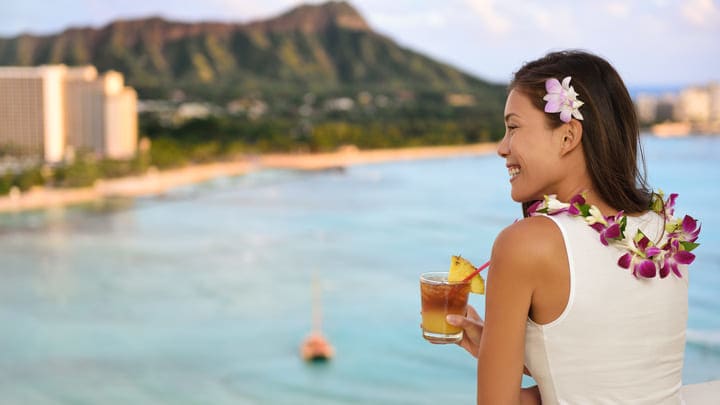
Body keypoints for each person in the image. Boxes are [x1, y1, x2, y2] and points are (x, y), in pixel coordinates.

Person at [445, 50, 699, 404]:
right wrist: (503, 354)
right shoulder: (664, 233)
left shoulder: (526, 244)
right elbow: (613, 382)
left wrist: (496, 359)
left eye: (513, 127)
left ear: (568, 136)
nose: (502, 147)